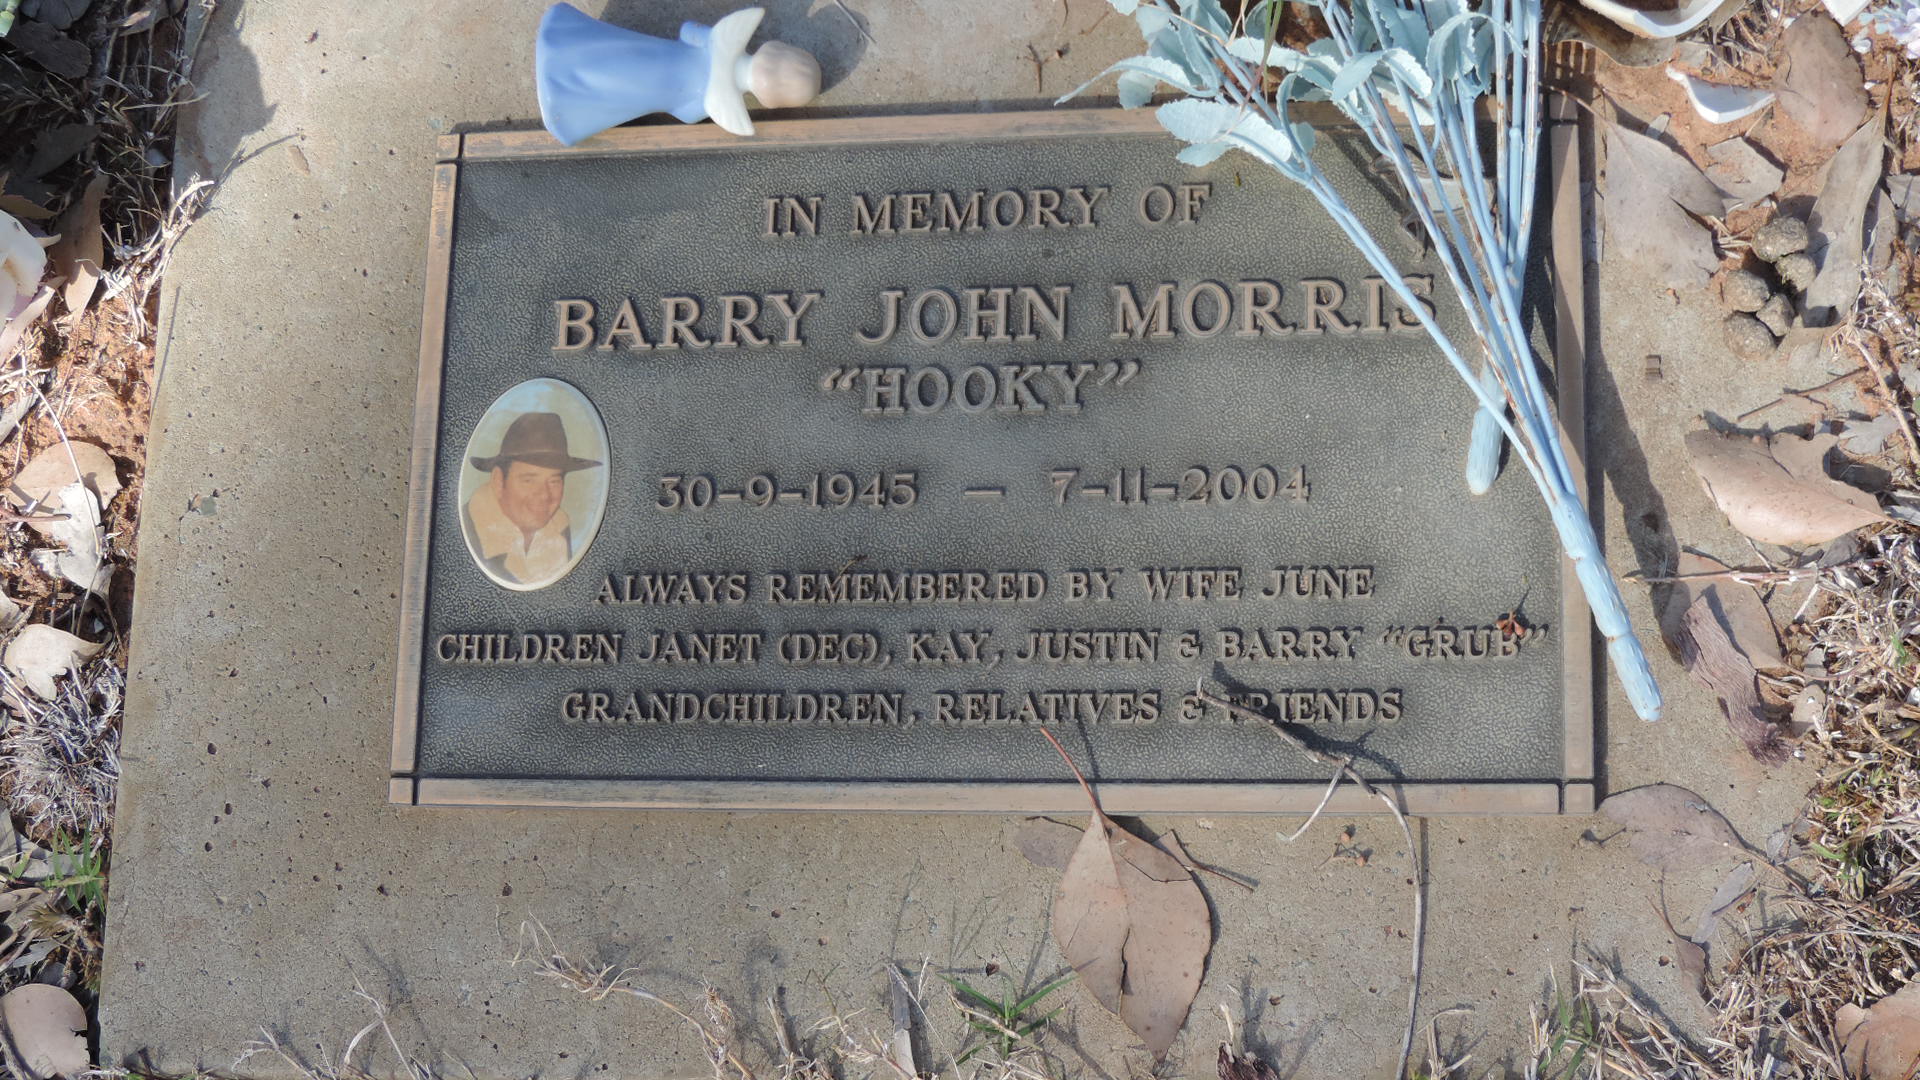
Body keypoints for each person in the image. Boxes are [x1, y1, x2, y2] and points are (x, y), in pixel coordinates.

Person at [463, 411, 602, 587]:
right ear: (498, 480)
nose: (544, 495)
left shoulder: (559, 526)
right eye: (528, 480)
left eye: (554, 481)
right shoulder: (463, 533)